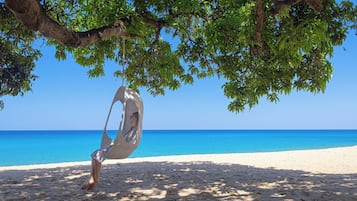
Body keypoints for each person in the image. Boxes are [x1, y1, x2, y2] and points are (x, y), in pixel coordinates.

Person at [81, 112, 139, 190]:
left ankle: (93, 179)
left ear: (136, 119)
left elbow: (128, 142)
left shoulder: (135, 131)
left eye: (132, 117)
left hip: (120, 150)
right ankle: (92, 179)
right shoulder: (131, 129)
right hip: (118, 147)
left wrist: (117, 144)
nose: (130, 119)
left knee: (98, 155)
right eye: (130, 117)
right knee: (96, 154)